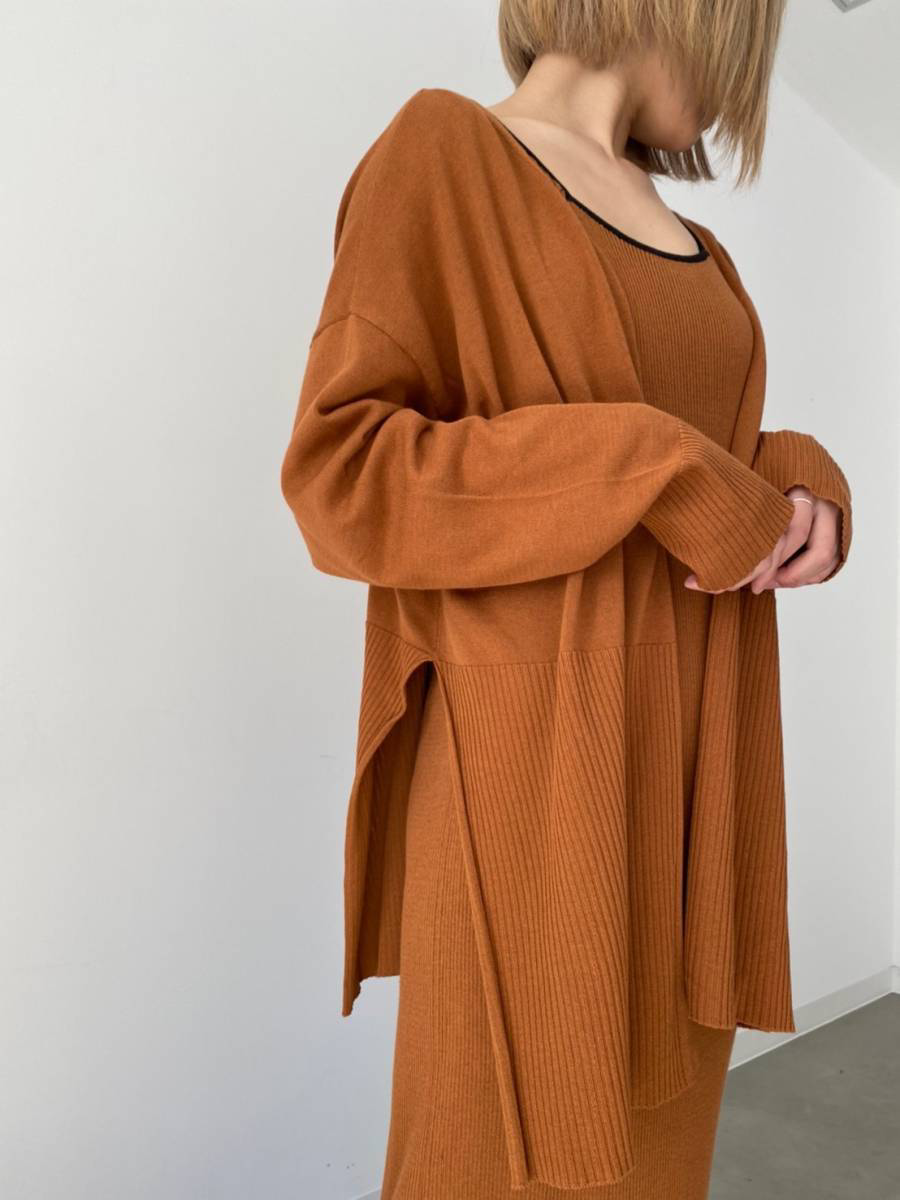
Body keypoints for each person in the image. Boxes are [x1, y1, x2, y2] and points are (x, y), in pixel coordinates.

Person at [280, 2, 853, 1197]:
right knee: (495, 1160)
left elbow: (707, 463)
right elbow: (344, 477)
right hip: (533, 792)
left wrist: (801, 481)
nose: (738, 89)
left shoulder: (698, 244)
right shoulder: (445, 155)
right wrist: (644, 458)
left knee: (659, 1161)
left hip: (693, 789)